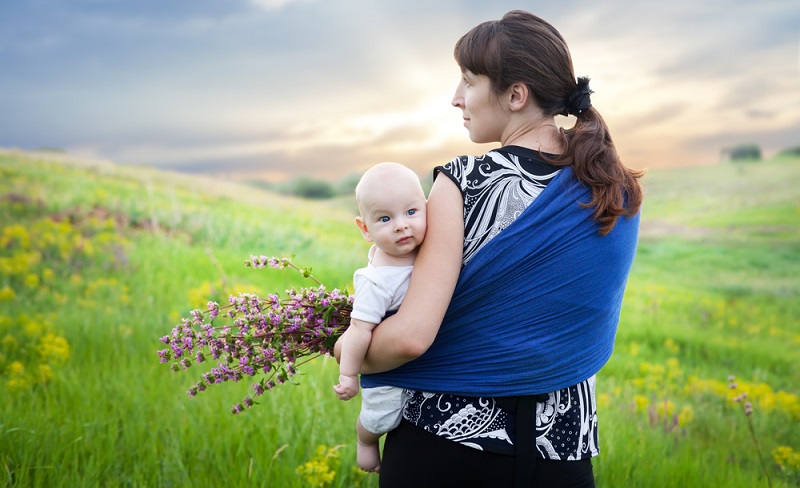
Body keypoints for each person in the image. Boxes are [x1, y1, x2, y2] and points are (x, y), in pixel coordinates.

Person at [335, 10, 644, 487]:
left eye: (469, 81)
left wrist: (345, 348)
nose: (456, 98)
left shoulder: (463, 182)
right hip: (562, 450)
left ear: (516, 95)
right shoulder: (614, 186)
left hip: (445, 446)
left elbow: (412, 337)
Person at [333, 162, 427, 472]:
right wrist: (349, 375)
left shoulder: (431, 248)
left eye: (411, 212)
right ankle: (366, 441)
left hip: (428, 359)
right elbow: (358, 330)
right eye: (385, 219)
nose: (401, 225)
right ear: (365, 229)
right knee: (382, 416)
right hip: (387, 367)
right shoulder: (377, 280)